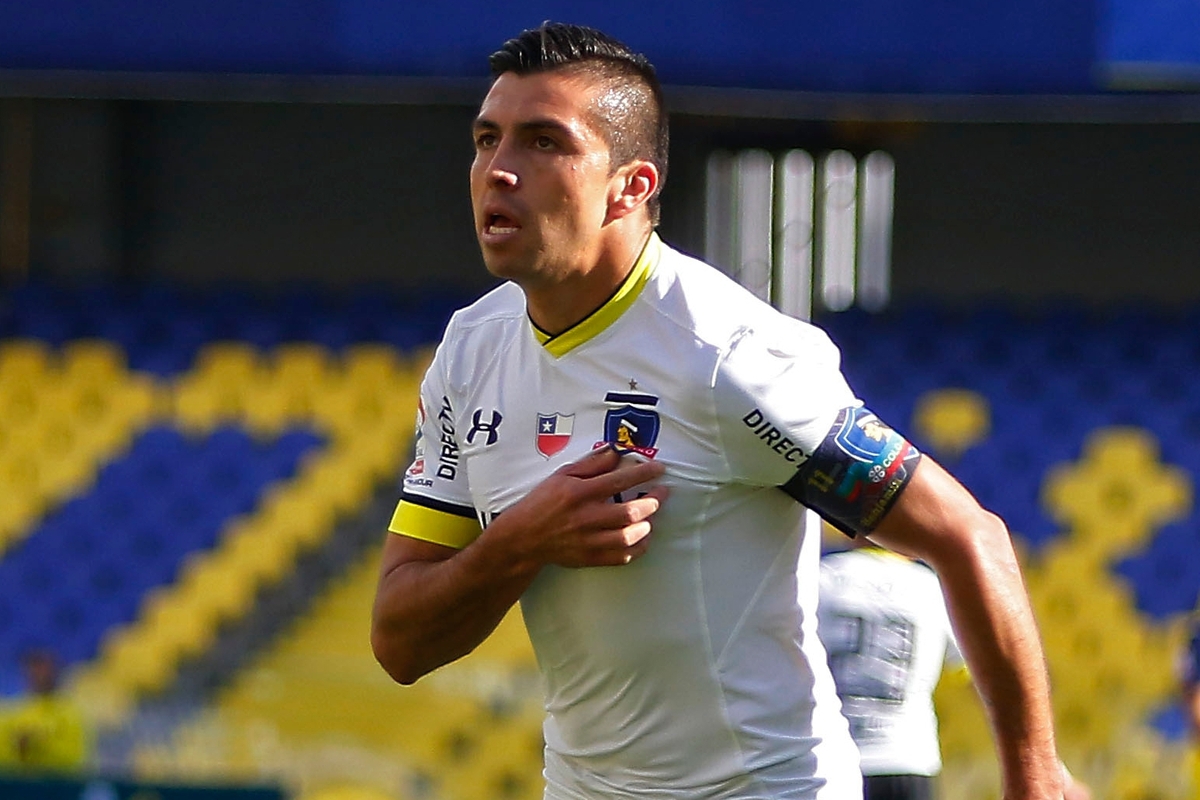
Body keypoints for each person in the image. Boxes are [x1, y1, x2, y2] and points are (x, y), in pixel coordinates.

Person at [370, 22, 1068, 799]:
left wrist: (1034, 775)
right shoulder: (472, 352)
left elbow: (968, 537)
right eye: (486, 139)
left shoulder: (728, 355)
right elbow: (401, 641)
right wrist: (516, 545)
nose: (498, 171)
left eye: (543, 143)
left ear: (630, 186)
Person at [817, 536, 964, 800]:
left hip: (829, 760)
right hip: (906, 759)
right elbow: (973, 671)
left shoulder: (822, 579)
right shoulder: (930, 587)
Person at [0, 649, 89, 773]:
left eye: (43, 668)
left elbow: (73, 758)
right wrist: (18, 749)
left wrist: (37, 746)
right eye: (34, 668)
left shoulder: (69, 712)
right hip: (19, 784)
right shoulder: (13, 711)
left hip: (56, 785)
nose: (38, 674)